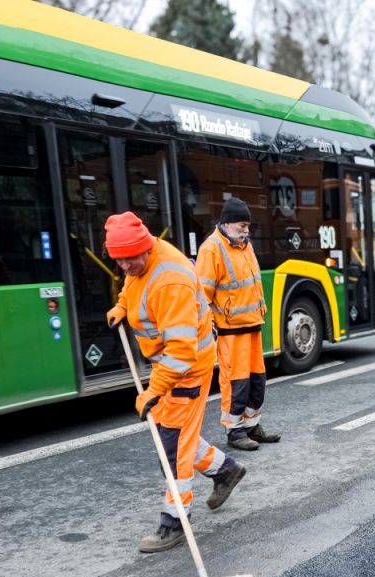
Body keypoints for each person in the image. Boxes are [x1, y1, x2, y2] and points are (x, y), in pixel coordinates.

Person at [104, 211, 246, 552]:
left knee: (172, 446)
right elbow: (133, 285)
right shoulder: (139, 263)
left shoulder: (172, 279)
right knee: (178, 436)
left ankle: (175, 521)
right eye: (118, 261)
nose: (125, 266)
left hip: (187, 367)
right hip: (169, 364)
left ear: (146, 247)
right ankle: (225, 470)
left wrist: (154, 390)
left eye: (130, 259)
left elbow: (181, 351)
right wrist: (122, 306)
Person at [194, 197, 281, 452]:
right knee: (236, 383)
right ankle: (235, 431)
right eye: (243, 225)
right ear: (228, 222)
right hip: (231, 331)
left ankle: (252, 425)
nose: (246, 230)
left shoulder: (245, 245)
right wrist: (208, 328)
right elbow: (202, 296)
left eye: (248, 226)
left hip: (252, 325)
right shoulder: (211, 249)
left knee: (257, 381)